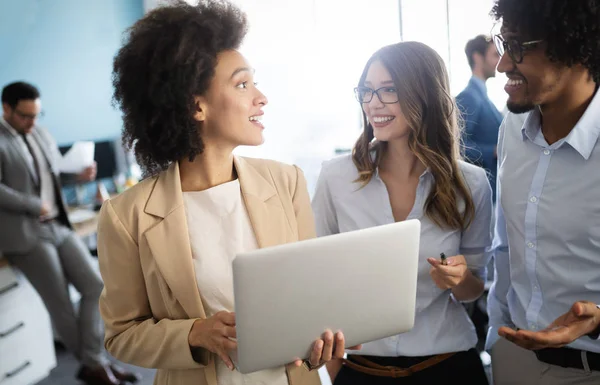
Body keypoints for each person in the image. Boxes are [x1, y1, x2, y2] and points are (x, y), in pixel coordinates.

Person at [96, 1, 355, 385]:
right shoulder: (126, 215)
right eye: (242, 84)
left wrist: (323, 341)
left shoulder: (287, 183)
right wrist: (193, 334)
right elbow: (121, 334)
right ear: (196, 106)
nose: (261, 97)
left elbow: (310, 301)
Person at [312, 41, 492, 385]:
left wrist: (458, 279)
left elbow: (473, 289)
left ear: (423, 94)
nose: (373, 103)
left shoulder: (471, 184)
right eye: (367, 91)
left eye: (389, 90)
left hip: (449, 367)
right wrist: (338, 372)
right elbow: (316, 283)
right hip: (362, 370)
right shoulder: (336, 178)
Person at [485, 1, 600, 384]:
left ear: (576, 46)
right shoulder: (511, 131)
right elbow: (505, 246)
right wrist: (496, 339)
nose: (502, 64)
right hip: (514, 359)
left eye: (519, 47)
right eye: (504, 44)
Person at [0, 82, 139, 385]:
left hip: (57, 225)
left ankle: (93, 363)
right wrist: (33, 204)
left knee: (95, 287)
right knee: (60, 302)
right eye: (25, 116)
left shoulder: (39, 133)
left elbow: (51, 176)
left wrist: (76, 175)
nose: (33, 122)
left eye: (37, 114)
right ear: (6, 109)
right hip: (26, 235)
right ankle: (98, 365)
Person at [456, 35, 503, 202]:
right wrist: (494, 151)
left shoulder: (483, 97)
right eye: (495, 55)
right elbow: (457, 144)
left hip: (492, 190)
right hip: (480, 194)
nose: (500, 61)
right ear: (477, 57)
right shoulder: (469, 97)